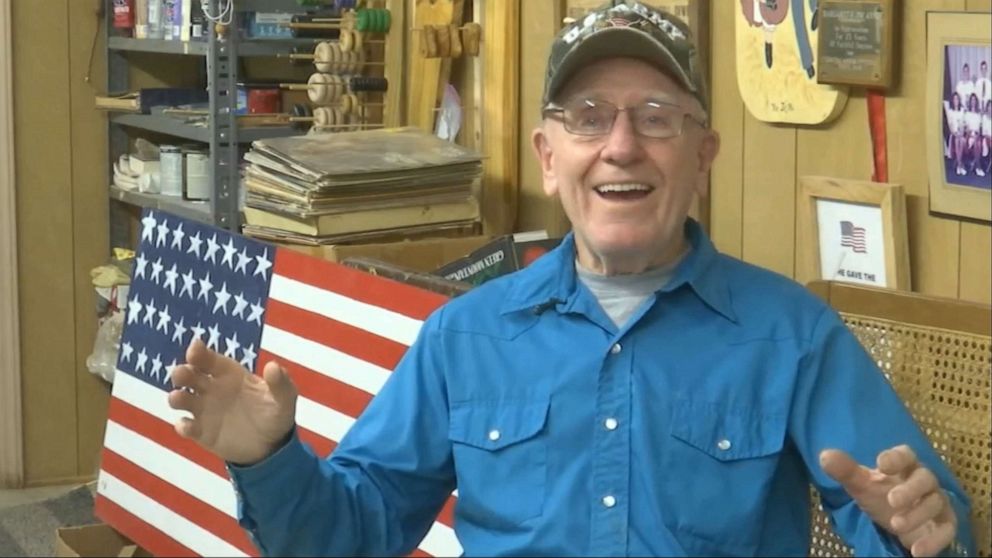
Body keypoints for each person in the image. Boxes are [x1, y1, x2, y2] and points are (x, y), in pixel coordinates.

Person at [168, 2, 977, 556]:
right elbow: (351, 533)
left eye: (657, 116)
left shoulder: (794, 336)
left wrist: (919, 536)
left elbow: (921, 522)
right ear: (549, 159)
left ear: (703, 156)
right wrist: (268, 457)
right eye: (588, 117)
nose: (621, 145)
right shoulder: (465, 337)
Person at [945, 92, 967, 176]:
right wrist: (955, 132)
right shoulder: (950, 111)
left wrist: (961, 132)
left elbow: (963, 123)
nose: (956, 101)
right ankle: (960, 164)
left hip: (961, 133)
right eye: (954, 99)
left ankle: (959, 165)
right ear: (952, 101)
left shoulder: (962, 110)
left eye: (957, 99)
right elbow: (950, 125)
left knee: (961, 140)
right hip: (953, 134)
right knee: (958, 140)